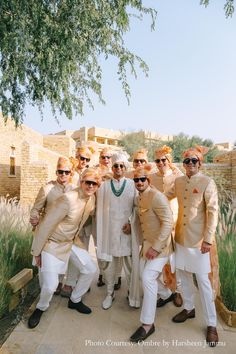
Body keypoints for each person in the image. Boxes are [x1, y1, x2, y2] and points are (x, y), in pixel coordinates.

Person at [28, 168, 101, 329]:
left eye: (94, 184)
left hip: (71, 242)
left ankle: (75, 300)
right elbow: (46, 224)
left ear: (97, 186)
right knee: (50, 285)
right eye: (87, 182)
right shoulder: (67, 199)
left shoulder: (92, 199)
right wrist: (37, 252)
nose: (90, 186)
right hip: (52, 243)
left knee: (89, 269)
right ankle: (40, 308)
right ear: (81, 182)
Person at [166, 146, 219, 347]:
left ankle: (212, 324)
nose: (190, 164)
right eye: (187, 161)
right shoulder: (179, 182)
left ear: (200, 163)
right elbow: (165, 196)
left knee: (203, 282)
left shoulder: (207, 182)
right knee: (184, 277)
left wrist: (208, 239)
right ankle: (189, 308)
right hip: (180, 237)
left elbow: (213, 212)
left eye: (194, 161)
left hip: (199, 242)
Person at [130, 165, 174, 343]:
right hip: (147, 245)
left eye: (142, 179)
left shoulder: (156, 197)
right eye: (136, 180)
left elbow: (168, 222)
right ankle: (166, 294)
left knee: (148, 277)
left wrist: (156, 247)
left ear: (148, 181)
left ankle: (147, 325)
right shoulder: (140, 197)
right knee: (143, 276)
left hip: (160, 247)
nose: (139, 182)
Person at [96, 152, 140, 309]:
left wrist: (131, 222)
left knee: (130, 265)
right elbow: (99, 209)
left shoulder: (132, 184)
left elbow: (137, 206)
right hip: (110, 232)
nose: (119, 168)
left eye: (122, 165)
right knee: (110, 266)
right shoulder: (104, 186)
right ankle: (110, 293)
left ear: (125, 167)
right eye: (116, 165)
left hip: (127, 231)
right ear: (112, 167)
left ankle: (132, 294)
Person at [30, 157, 75, 295]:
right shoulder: (47, 188)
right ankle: (44, 291)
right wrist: (34, 217)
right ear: (56, 172)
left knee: (60, 262)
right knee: (42, 264)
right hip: (46, 233)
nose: (63, 175)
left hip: (63, 234)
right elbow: (36, 208)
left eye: (66, 172)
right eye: (60, 171)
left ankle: (55, 287)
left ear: (71, 173)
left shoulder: (74, 190)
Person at [149, 145, 183, 307]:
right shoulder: (151, 177)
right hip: (159, 224)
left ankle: (178, 292)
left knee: (176, 260)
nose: (161, 163)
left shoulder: (179, 176)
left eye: (164, 160)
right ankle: (166, 291)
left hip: (176, 223)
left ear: (169, 161)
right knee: (162, 260)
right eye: (158, 160)